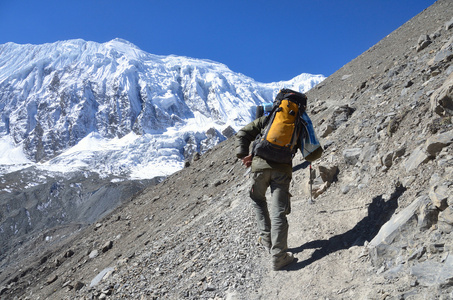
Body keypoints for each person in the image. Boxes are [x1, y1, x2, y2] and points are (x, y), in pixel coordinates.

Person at [235, 114, 298, 271]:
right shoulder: (301, 121)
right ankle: (279, 257)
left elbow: (242, 133)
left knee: (258, 199)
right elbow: (313, 152)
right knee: (279, 212)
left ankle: (267, 241)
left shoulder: (270, 117)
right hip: (283, 171)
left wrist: (244, 155)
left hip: (259, 169)